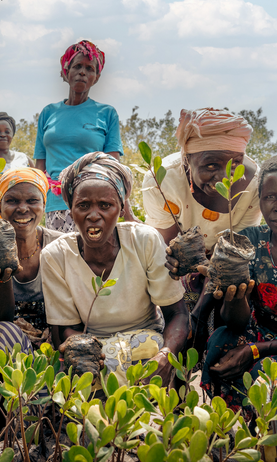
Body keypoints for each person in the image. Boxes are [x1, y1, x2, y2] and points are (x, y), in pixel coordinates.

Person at [40, 153, 189, 381]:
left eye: (105, 205)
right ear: (71, 211)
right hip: (93, 351)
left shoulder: (144, 240)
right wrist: (91, 353)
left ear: (121, 209)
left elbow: (177, 313)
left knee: (153, 347)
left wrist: (166, 354)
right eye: (83, 205)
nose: (93, 215)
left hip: (149, 342)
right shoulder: (55, 255)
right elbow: (65, 331)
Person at [201, 153, 277, 410]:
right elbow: (236, 322)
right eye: (270, 197)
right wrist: (237, 297)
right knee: (222, 340)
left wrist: (256, 350)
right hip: (259, 331)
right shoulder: (249, 242)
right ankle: (231, 425)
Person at [34, 40, 124, 233]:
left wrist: (124, 205)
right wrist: (37, 202)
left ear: (97, 77)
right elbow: (40, 167)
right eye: (77, 66)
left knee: (93, 259)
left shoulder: (106, 113)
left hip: (93, 205)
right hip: (55, 203)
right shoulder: (48, 113)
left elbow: (113, 165)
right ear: (65, 72)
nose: (83, 72)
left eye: (89, 68)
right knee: (61, 258)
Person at [0, 168, 62, 367]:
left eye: (32, 201)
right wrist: (2, 278)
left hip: (53, 340)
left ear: (44, 205)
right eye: (12, 201)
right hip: (4, 342)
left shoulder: (60, 245)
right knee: (4, 332)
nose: (23, 208)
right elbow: (0, 317)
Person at [143, 107, 260, 251]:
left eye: (235, 163)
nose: (224, 179)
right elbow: (166, 245)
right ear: (186, 161)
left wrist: (213, 269)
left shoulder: (255, 185)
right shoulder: (161, 181)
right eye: (211, 165)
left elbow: (239, 248)